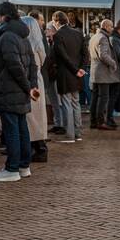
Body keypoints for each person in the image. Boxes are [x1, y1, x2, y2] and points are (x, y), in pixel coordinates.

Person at [0, 2, 39, 181]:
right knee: (21, 128)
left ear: (3, 16)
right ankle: (23, 165)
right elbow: (32, 64)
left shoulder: (6, 36)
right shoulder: (23, 37)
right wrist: (31, 86)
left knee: (12, 130)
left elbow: (13, 65)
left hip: (9, 88)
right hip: (21, 90)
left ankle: (12, 168)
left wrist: (28, 86)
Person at [47, 11, 88, 143]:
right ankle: (78, 133)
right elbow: (85, 54)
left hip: (65, 73)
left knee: (66, 104)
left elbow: (63, 56)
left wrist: (76, 70)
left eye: (53, 21)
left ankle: (70, 135)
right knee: (76, 103)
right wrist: (81, 69)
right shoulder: (78, 33)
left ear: (57, 21)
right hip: (77, 74)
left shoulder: (58, 35)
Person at [23, 11, 50, 162]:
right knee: (36, 117)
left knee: (32, 117)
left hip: (31, 81)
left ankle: (39, 148)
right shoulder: (39, 44)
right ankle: (39, 147)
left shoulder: (26, 44)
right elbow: (43, 59)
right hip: (36, 79)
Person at [89, 18, 119, 130]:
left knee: (95, 97)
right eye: (111, 26)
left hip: (95, 72)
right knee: (103, 98)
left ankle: (93, 121)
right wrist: (113, 63)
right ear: (106, 26)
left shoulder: (94, 37)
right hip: (103, 73)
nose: (112, 29)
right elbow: (103, 55)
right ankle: (101, 122)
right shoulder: (103, 38)